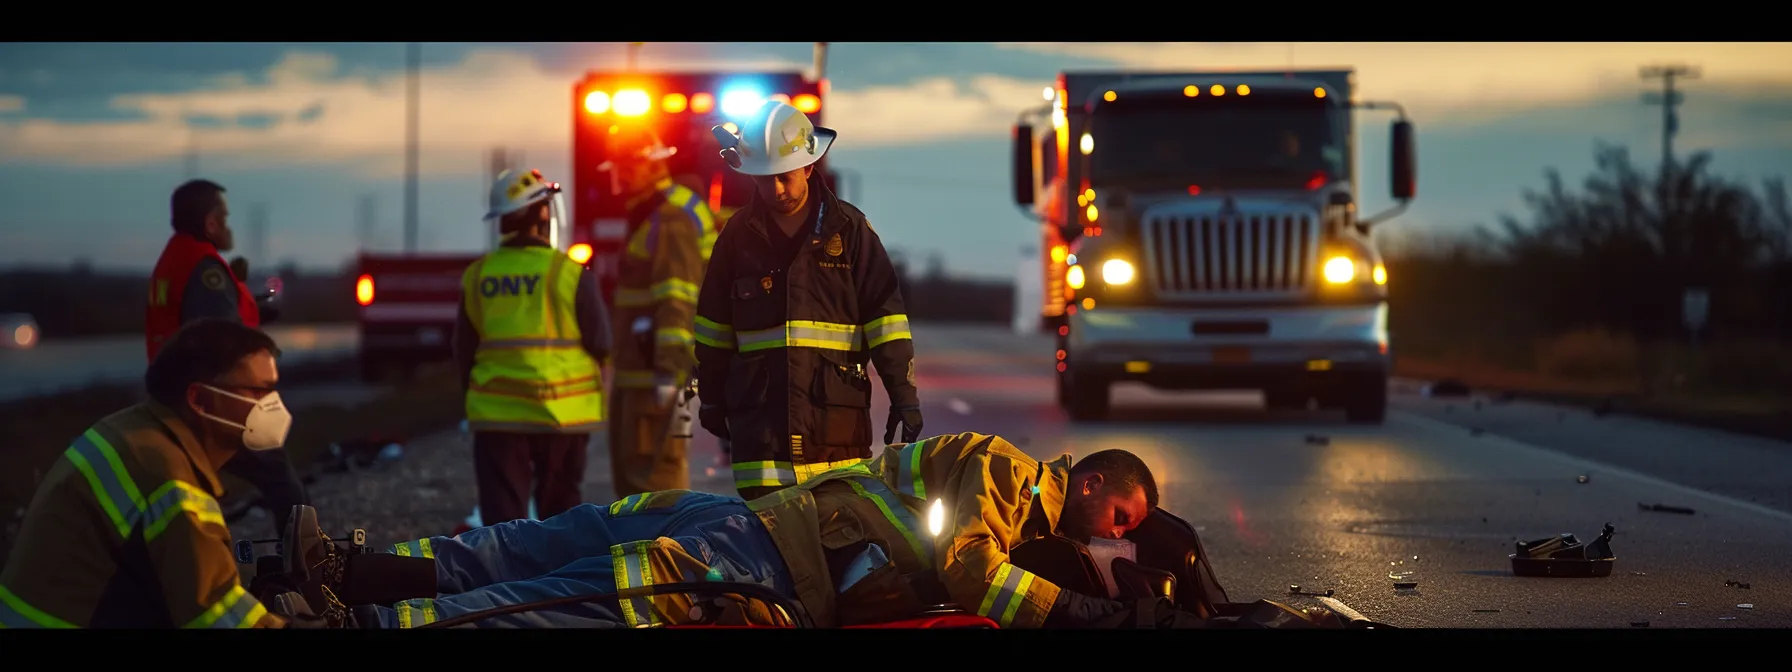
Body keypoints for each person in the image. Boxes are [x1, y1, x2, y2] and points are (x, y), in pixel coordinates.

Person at [335, 431, 1204, 629]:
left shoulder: (1020, 510)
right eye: (1118, 519)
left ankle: (355, 573)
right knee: (573, 598)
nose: (1110, 537)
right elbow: (976, 574)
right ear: (1089, 483)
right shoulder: (1014, 474)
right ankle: (365, 621)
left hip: (747, 519)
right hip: (764, 555)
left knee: (539, 543)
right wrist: (1102, 615)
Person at [694, 100, 923, 500]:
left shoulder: (850, 231)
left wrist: (904, 397)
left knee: (840, 545)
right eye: (763, 179)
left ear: (808, 166)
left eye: (784, 177)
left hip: (834, 432)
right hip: (759, 437)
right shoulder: (735, 238)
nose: (775, 189)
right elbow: (713, 329)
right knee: (764, 550)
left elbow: (885, 321)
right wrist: (711, 398)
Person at [0, 318, 290, 628]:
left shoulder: (132, 431)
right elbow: (216, 613)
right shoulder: (167, 477)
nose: (272, 405)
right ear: (200, 399)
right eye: (259, 391)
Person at [144, 178, 310, 537]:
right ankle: (305, 567)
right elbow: (219, 339)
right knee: (284, 484)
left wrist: (251, 308)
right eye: (224, 215)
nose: (229, 224)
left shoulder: (175, 259)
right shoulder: (205, 269)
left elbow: (198, 321)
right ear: (211, 223)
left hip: (176, 398)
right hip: (212, 404)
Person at [456, 168, 611, 526]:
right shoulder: (570, 274)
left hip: (498, 418)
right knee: (562, 519)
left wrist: (474, 399)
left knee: (503, 521)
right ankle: (561, 580)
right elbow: (601, 343)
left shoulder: (479, 275)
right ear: (543, 213)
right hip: (564, 417)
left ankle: (507, 579)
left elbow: (464, 350)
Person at [599, 124, 717, 497]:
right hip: (648, 373)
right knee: (651, 478)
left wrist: (668, 372)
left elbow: (677, 297)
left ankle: (655, 553)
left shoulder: (669, 217)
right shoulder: (656, 212)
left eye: (625, 167)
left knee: (650, 484)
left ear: (648, 167)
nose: (619, 177)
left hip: (654, 377)